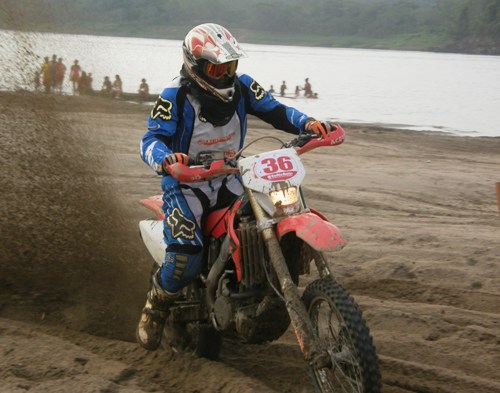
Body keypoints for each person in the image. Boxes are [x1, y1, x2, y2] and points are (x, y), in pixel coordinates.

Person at [136, 23, 337, 351]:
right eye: (217, 68)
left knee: (263, 219)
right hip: (187, 186)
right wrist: (168, 160)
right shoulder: (175, 95)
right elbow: (150, 139)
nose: (225, 74)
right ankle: (156, 304)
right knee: (186, 254)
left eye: (230, 66)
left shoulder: (243, 87)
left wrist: (308, 124)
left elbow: (276, 110)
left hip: (232, 176)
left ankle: (254, 283)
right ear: (196, 66)